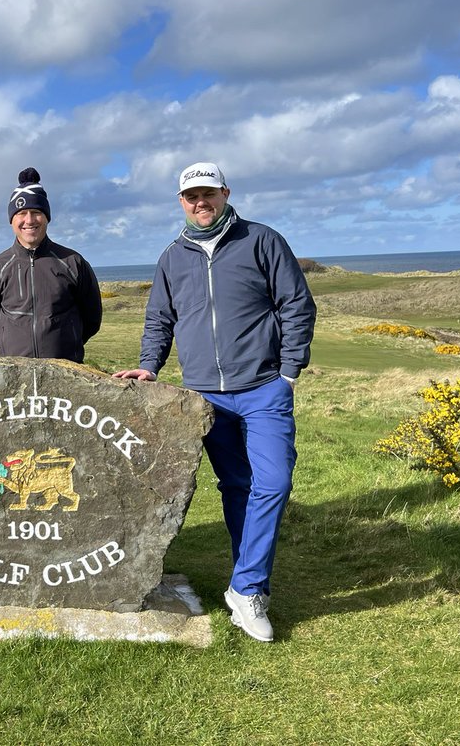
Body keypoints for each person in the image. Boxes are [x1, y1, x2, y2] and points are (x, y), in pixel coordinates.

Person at [113, 162, 315, 642]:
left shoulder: (262, 240)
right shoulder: (172, 257)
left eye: (208, 193)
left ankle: (246, 588)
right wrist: (149, 365)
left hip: (265, 386)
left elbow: (296, 304)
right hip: (205, 396)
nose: (200, 203)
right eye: (190, 196)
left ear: (225, 193)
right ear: (180, 202)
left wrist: (288, 372)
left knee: (273, 482)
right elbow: (160, 319)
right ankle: (247, 582)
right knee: (236, 484)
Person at [0, 167, 103, 362]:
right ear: (12, 220)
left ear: (46, 217)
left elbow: (92, 319)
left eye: (36, 212)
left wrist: (66, 343)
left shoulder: (73, 262)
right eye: (21, 213)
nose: (29, 220)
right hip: (13, 374)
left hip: (65, 372)